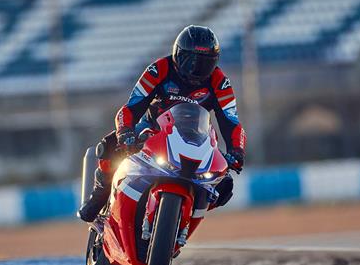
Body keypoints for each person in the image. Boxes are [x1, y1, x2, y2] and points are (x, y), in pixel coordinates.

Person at [78, 25, 246, 222]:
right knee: (109, 147)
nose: (195, 69)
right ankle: (99, 197)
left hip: (198, 134)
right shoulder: (159, 69)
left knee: (224, 184)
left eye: (204, 64)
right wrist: (125, 131)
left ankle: (187, 215)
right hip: (155, 127)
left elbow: (231, 121)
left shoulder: (220, 82)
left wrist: (237, 150)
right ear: (177, 54)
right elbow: (132, 107)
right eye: (190, 61)